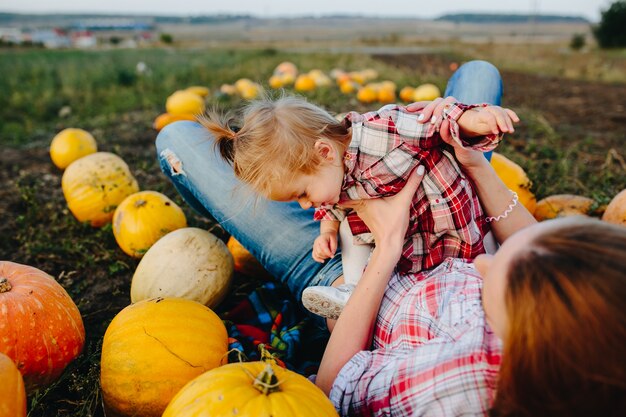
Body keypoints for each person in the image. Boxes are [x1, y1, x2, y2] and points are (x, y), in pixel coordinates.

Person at [155, 60, 626, 415]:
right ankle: (456, 125)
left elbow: (333, 384)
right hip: (436, 213)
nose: (482, 266)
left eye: (496, 279)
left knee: (178, 138)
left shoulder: (465, 380)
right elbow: (533, 246)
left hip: (367, 275)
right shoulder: (561, 312)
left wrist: (388, 244)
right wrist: (470, 157)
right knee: (476, 79)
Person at [198, 84, 518, 320]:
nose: (306, 206)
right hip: (410, 250)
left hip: (454, 230)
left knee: (481, 264)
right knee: (352, 236)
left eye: (302, 194)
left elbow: (434, 119)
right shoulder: (332, 176)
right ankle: (352, 289)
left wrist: (475, 119)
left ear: (324, 152)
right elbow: (330, 206)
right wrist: (327, 231)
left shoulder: (383, 132)